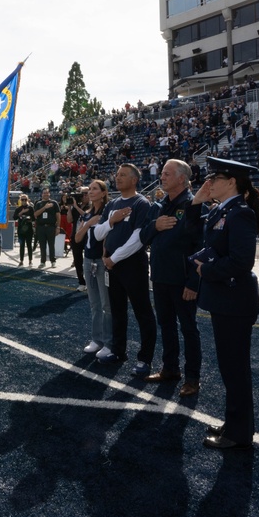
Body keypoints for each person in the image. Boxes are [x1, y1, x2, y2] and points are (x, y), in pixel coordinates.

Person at [189, 157, 259, 450]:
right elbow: (195, 234)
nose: (209, 183)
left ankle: (238, 433)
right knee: (229, 367)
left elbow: (242, 261)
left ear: (231, 182)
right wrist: (197, 202)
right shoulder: (222, 211)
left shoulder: (239, 214)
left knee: (235, 369)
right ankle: (235, 423)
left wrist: (205, 270)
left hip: (235, 299)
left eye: (215, 178)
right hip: (226, 300)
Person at [140, 159, 203, 397]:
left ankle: (193, 378)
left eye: (167, 173)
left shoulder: (194, 205)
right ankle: (170, 368)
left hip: (183, 279)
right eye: (162, 173)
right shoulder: (157, 207)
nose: (161, 176)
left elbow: (201, 246)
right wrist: (155, 226)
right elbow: (143, 237)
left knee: (188, 328)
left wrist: (193, 282)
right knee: (166, 325)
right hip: (160, 277)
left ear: (181, 178)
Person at [91, 164, 157, 378]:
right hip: (112, 266)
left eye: (123, 175)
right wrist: (112, 220)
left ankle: (145, 359)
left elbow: (138, 239)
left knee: (142, 312)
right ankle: (118, 351)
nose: (117, 178)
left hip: (132, 265)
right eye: (117, 175)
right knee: (117, 310)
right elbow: (99, 234)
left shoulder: (141, 203)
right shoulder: (112, 204)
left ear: (135, 180)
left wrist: (112, 259)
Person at [75, 180, 113, 359]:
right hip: (88, 260)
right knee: (94, 304)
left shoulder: (108, 213)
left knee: (106, 304)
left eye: (95, 189)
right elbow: (77, 238)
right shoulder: (87, 215)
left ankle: (108, 342)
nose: (91, 191)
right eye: (89, 189)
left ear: (104, 192)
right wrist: (89, 223)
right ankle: (96, 339)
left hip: (102, 260)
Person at [67, 188, 89, 291]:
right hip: (76, 235)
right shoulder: (76, 207)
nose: (83, 196)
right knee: (77, 259)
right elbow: (69, 220)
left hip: (88, 236)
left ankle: (90, 282)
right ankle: (81, 282)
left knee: (89, 260)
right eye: (82, 194)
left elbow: (87, 216)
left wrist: (76, 206)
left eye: (85, 194)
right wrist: (69, 207)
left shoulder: (92, 206)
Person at [33, 187, 60, 268]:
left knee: (51, 245)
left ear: (49, 194)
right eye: (44, 193)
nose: (45, 194)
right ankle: (42, 261)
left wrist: (58, 227)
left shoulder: (54, 203)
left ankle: (53, 261)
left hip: (51, 227)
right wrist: (45, 207)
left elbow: (58, 215)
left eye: (47, 193)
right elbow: (35, 214)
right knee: (42, 245)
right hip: (41, 227)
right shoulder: (38, 203)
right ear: (42, 194)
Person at [13, 194, 35, 266]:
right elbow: (14, 218)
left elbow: (34, 218)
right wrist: (21, 213)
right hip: (21, 230)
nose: (24, 201)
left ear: (28, 200)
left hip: (29, 229)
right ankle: (21, 260)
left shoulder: (30, 208)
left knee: (29, 245)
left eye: (25, 199)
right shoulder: (18, 209)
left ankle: (30, 260)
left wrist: (29, 218)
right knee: (21, 245)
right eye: (22, 199)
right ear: (20, 200)